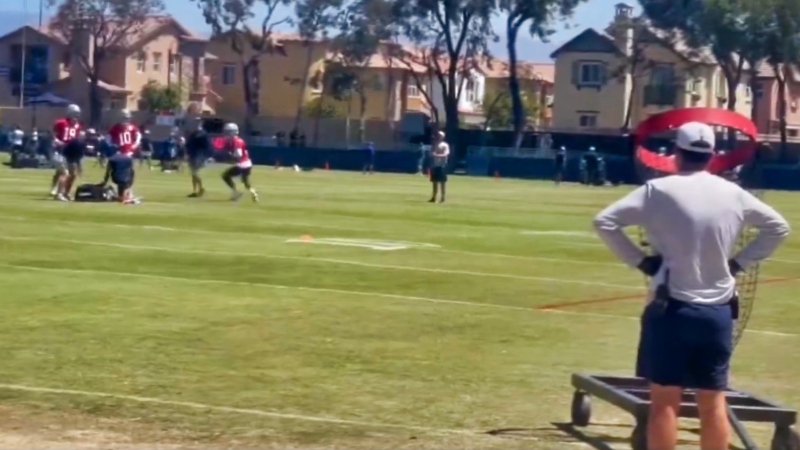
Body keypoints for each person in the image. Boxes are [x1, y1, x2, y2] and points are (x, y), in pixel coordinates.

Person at [593, 121, 790, 450]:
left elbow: (605, 222)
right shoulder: (734, 193)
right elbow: (778, 228)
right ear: (712, 155)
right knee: (713, 403)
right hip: (718, 311)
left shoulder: (657, 191)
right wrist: (739, 263)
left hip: (671, 308)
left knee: (665, 402)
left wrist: (641, 261)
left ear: (676, 154)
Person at [52, 103, 83, 201]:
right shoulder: (61, 122)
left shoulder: (78, 126)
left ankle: (66, 193)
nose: (76, 116)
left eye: (77, 114)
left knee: (73, 174)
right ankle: (58, 193)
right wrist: (56, 140)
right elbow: (53, 133)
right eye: (74, 113)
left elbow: (77, 138)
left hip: (71, 151)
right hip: (61, 150)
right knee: (64, 173)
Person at [221, 123, 258, 202]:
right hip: (247, 164)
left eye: (228, 132)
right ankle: (253, 192)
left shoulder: (237, 141)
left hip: (242, 164)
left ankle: (236, 192)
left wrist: (230, 155)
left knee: (225, 176)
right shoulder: (235, 140)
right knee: (245, 180)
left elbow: (239, 154)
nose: (226, 133)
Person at [186, 121, 212, 197]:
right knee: (193, 174)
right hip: (192, 155)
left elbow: (207, 146)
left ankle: (201, 188)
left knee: (195, 172)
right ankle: (195, 190)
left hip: (199, 156)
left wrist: (208, 157)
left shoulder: (203, 135)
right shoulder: (193, 134)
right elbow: (188, 145)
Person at [428, 131, 449, 203]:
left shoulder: (445, 145)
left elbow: (446, 154)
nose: (438, 137)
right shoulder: (434, 145)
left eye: (439, 135)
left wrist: (436, 155)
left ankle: (442, 197)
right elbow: (430, 153)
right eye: (437, 135)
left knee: (442, 182)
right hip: (434, 165)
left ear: (442, 137)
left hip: (442, 165)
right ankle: (434, 197)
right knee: (434, 182)